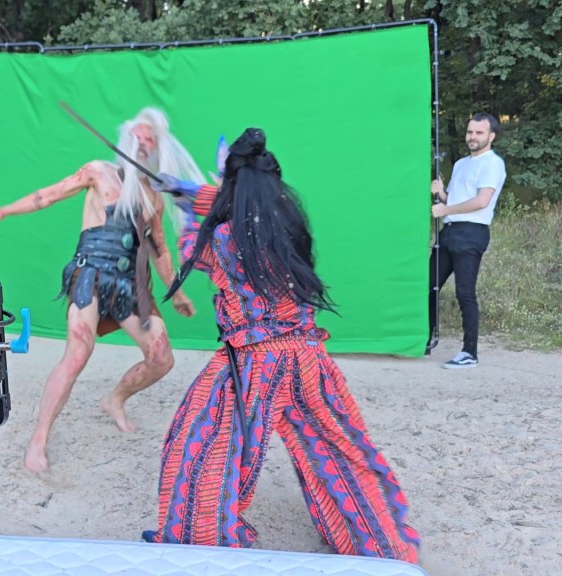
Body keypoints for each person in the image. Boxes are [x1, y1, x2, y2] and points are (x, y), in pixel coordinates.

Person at [144, 128, 421, 563]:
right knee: (337, 448)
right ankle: (383, 545)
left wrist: (182, 198)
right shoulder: (288, 224)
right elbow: (232, 209)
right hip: (307, 358)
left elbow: (196, 245)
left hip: (254, 362)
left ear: (232, 186)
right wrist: (187, 190)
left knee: (202, 442)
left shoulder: (223, 238)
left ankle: (199, 541)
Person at [0, 107, 202, 474]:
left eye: (150, 139)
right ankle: (39, 440)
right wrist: (2, 211)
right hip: (90, 275)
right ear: (127, 138)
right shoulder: (99, 172)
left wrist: (176, 291)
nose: (143, 143)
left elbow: (159, 248)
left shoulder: (153, 197)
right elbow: (48, 195)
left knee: (161, 358)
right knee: (78, 353)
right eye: (139, 136)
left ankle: (115, 399)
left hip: (129, 283)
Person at [427, 112, 506, 368]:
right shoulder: (461, 164)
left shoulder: (492, 163)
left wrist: (445, 209)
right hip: (450, 231)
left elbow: (481, 201)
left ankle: (469, 352)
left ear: (491, 136)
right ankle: (425, 337)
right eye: (470, 132)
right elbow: (456, 199)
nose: (473, 137)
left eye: (479, 133)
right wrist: (442, 194)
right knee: (429, 285)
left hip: (472, 233)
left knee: (464, 292)